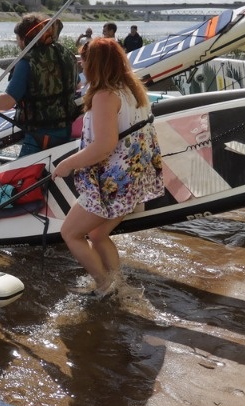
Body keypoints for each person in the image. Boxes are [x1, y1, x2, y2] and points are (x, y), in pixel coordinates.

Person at [51, 38, 163, 299]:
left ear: (95, 64)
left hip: (114, 183)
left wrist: (67, 164)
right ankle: (117, 284)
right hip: (134, 180)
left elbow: (104, 146)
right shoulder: (132, 88)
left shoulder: (105, 96)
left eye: (84, 61)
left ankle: (103, 286)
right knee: (98, 234)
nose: (82, 66)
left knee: (70, 233)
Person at [0, 13, 80, 157]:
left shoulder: (26, 61)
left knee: (22, 178)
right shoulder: (66, 53)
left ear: (25, 38)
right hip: (66, 131)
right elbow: (76, 86)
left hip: (39, 135)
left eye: (18, 39)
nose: (18, 43)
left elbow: (6, 102)